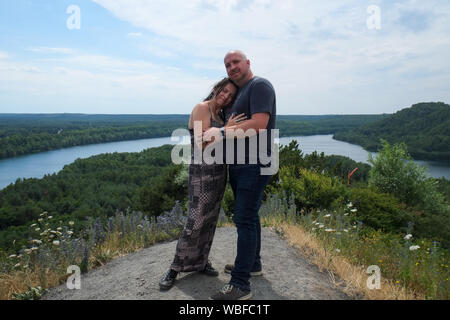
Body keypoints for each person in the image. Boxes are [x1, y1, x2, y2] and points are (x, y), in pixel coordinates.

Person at [159, 78, 245, 290]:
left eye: (230, 95)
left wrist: (225, 130)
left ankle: (201, 261)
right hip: (201, 173)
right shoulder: (201, 108)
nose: (225, 96)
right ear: (216, 89)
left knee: (210, 220)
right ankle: (175, 267)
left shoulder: (221, 114)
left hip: (218, 172)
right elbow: (201, 143)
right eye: (223, 91)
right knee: (196, 220)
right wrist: (225, 130)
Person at [206, 50, 277, 300]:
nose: (232, 67)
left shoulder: (259, 85)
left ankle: (240, 284)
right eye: (227, 65)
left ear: (248, 63)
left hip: (255, 163)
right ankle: (252, 264)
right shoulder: (240, 92)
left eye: (236, 62)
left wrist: (222, 133)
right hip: (240, 164)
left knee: (244, 219)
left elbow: (259, 124)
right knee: (249, 216)